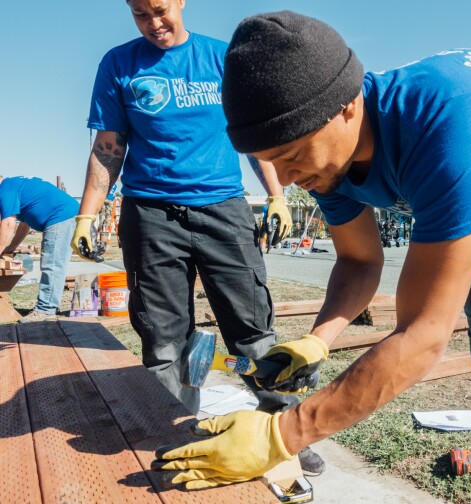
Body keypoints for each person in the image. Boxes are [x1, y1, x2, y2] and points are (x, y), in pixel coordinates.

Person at [151, 11, 471, 501]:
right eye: (271, 164)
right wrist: (319, 339)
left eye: (291, 154)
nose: (286, 179)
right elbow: (359, 261)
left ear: (348, 108)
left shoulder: (444, 127)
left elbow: (422, 336)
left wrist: (282, 435)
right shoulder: (325, 155)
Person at [72, 1, 323, 475]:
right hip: (150, 214)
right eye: (141, 15)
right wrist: (87, 215)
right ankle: (174, 429)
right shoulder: (119, 64)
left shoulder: (221, 58)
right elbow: (108, 148)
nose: (154, 24)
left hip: (222, 208)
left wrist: (276, 196)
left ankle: (283, 431)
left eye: (161, 10)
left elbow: (253, 134)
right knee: (164, 336)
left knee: (252, 327)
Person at [0, 176, 79, 322]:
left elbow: (8, 224)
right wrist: (12, 247)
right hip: (65, 214)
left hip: (61, 216)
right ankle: (48, 307)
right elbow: (24, 224)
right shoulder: (15, 186)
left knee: (52, 264)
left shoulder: (5, 189)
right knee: (53, 263)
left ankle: (46, 310)